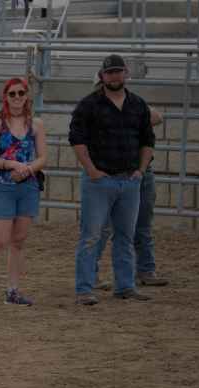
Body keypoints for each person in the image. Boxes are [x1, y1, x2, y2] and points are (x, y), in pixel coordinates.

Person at [69, 54, 156, 306]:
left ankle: (125, 286)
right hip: (99, 181)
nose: (115, 76)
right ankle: (85, 289)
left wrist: (140, 170)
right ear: (102, 76)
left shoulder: (138, 104)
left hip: (129, 180)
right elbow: (76, 139)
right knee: (91, 235)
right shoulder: (88, 105)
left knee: (124, 236)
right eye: (110, 72)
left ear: (126, 73)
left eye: (118, 71)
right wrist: (92, 170)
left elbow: (148, 140)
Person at [0, 76, 48, 314]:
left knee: (19, 240)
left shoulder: (36, 125)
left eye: (21, 93)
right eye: (12, 94)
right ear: (5, 97)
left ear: (27, 96)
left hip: (28, 187)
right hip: (3, 187)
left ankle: (13, 290)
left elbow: (43, 158)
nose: (17, 97)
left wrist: (28, 169)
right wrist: (11, 165)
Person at [95, 99, 169, 290]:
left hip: (140, 170)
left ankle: (146, 270)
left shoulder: (132, 105)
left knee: (142, 223)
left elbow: (157, 117)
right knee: (103, 227)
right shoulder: (96, 109)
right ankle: (91, 273)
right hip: (113, 172)